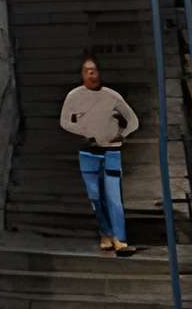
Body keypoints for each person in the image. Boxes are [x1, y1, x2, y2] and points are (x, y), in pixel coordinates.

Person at [59, 55, 140, 255]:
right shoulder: (74, 96)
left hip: (111, 151)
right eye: (87, 71)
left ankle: (120, 239)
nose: (91, 74)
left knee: (114, 197)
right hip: (88, 152)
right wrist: (86, 131)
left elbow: (133, 120)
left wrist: (121, 134)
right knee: (96, 196)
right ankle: (106, 232)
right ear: (82, 74)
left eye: (94, 70)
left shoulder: (111, 96)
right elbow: (65, 122)